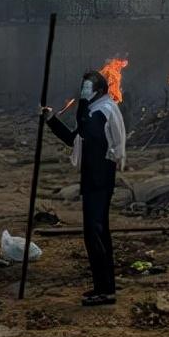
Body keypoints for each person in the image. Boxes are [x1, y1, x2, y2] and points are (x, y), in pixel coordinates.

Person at [42, 70, 126, 306]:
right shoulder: (94, 111)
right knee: (98, 234)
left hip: (99, 180)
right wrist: (51, 120)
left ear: (97, 91)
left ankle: (106, 291)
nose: (82, 91)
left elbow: (91, 134)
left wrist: (82, 108)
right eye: (82, 86)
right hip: (93, 179)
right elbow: (74, 139)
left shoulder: (101, 112)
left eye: (87, 87)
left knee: (95, 234)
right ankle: (103, 286)